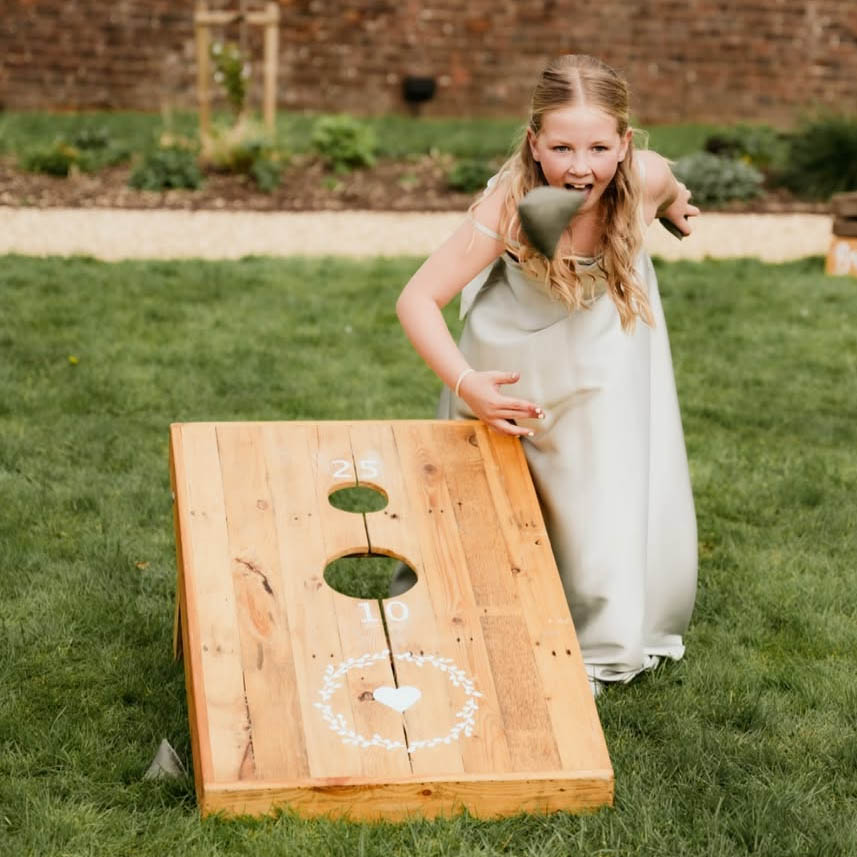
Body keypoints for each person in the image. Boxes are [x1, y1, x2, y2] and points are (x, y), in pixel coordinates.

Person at [395, 54, 699, 695]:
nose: (579, 165)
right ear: (534, 143)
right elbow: (417, 300)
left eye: (597, 146)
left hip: (600, 346)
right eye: (560, 146)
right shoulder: (512, 203)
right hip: (512, 352)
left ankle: (598, 641)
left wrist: (677, 207)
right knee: (491, 486)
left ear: (625, 144)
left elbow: (668, 183)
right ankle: (472, 609)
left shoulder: (640, 178)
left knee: (599, 485)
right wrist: (467, 383)